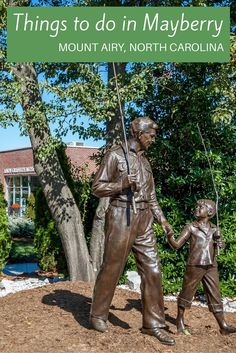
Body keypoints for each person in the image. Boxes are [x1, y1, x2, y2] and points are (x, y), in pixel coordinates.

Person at [89, 117, 175, 346]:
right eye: (151, 136)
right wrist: (121, 184)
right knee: (112, 267)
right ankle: (98, 314)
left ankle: (153, 324)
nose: (154, 140)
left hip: (144, 219)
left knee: (153, 270)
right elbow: (97, 187)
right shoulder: (116, 155)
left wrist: (163, 221)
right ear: (139, 133)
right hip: (121, 216)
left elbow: (152, 196)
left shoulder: (145, 161)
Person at [167, 199, 236, 335]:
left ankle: (223, 325)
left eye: (201, 207)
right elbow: (176, 245)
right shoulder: (191, 227)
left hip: (211, 266)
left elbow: (218, 244)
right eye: (196, 206)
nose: (197, 208)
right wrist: (170, 237)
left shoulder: (215, 228)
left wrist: (221, 243)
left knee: (215, 295)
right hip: (195, 265)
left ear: (210, 212)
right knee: (187, 292)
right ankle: (179, 320)